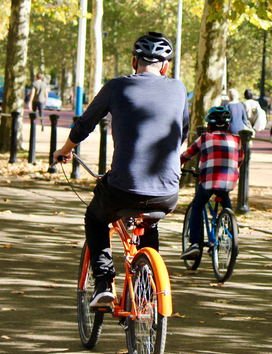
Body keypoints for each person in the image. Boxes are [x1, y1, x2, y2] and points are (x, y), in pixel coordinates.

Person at [52, 32, 188, 307]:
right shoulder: (179, 89)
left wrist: (64, 151)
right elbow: (181, 132)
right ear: (165, 66)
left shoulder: (117, 86)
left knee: (95, 218)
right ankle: (147, 291)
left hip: (123, 188)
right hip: (167, 192)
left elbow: (85, 124)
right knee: (149, 222)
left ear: (134, 61)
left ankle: (103, 283)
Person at [179, 106, 244, 259]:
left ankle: (194, 244)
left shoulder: (205, 138)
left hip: (208, 181)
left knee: (197, 206)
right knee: (227, 207)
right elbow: (240, 159)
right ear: (228, 126)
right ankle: (232, 235)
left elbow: (187, 155)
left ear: (208, 126)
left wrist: (176, 164)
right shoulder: (236, 140)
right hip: (228, 181)